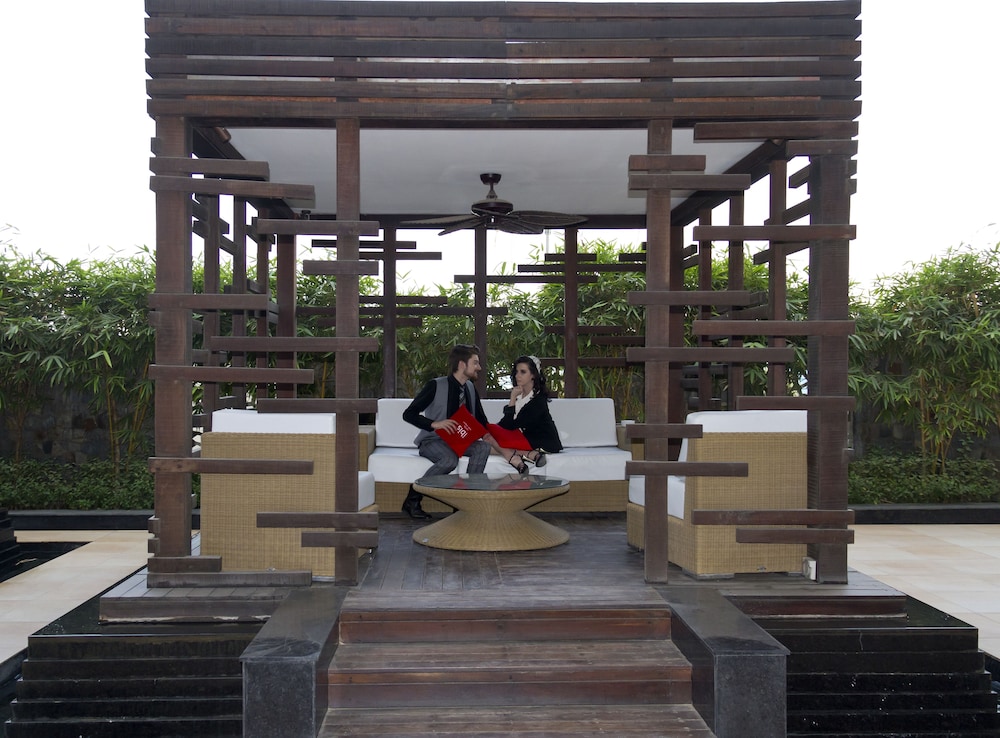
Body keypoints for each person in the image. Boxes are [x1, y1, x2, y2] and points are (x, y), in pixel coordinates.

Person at [400, 343, 494, 519]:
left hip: (460, 441)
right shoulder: (435, 385)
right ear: (462, 364)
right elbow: (409, 414)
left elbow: (481, 420)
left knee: (483, 447)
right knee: (449, 460)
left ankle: (464, 504)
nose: (479, 367)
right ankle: (412, 500)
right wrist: (435, 424)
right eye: (475, 363)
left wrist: (492, 436)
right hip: (433, 440)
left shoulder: (470, 388)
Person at [490, 354, 563, 473]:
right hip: (526, 439)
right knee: (488, 440)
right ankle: (527, 455)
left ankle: (520, 456)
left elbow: (511, 426)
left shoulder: (538, 400)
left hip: (543, 442)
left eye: (523, 372)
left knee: (488, 446)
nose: (517, 375)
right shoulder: (520, 396)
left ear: (533, 375)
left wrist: (512, 399)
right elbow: (505, 424)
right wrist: (492, 431)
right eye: (516, 372)